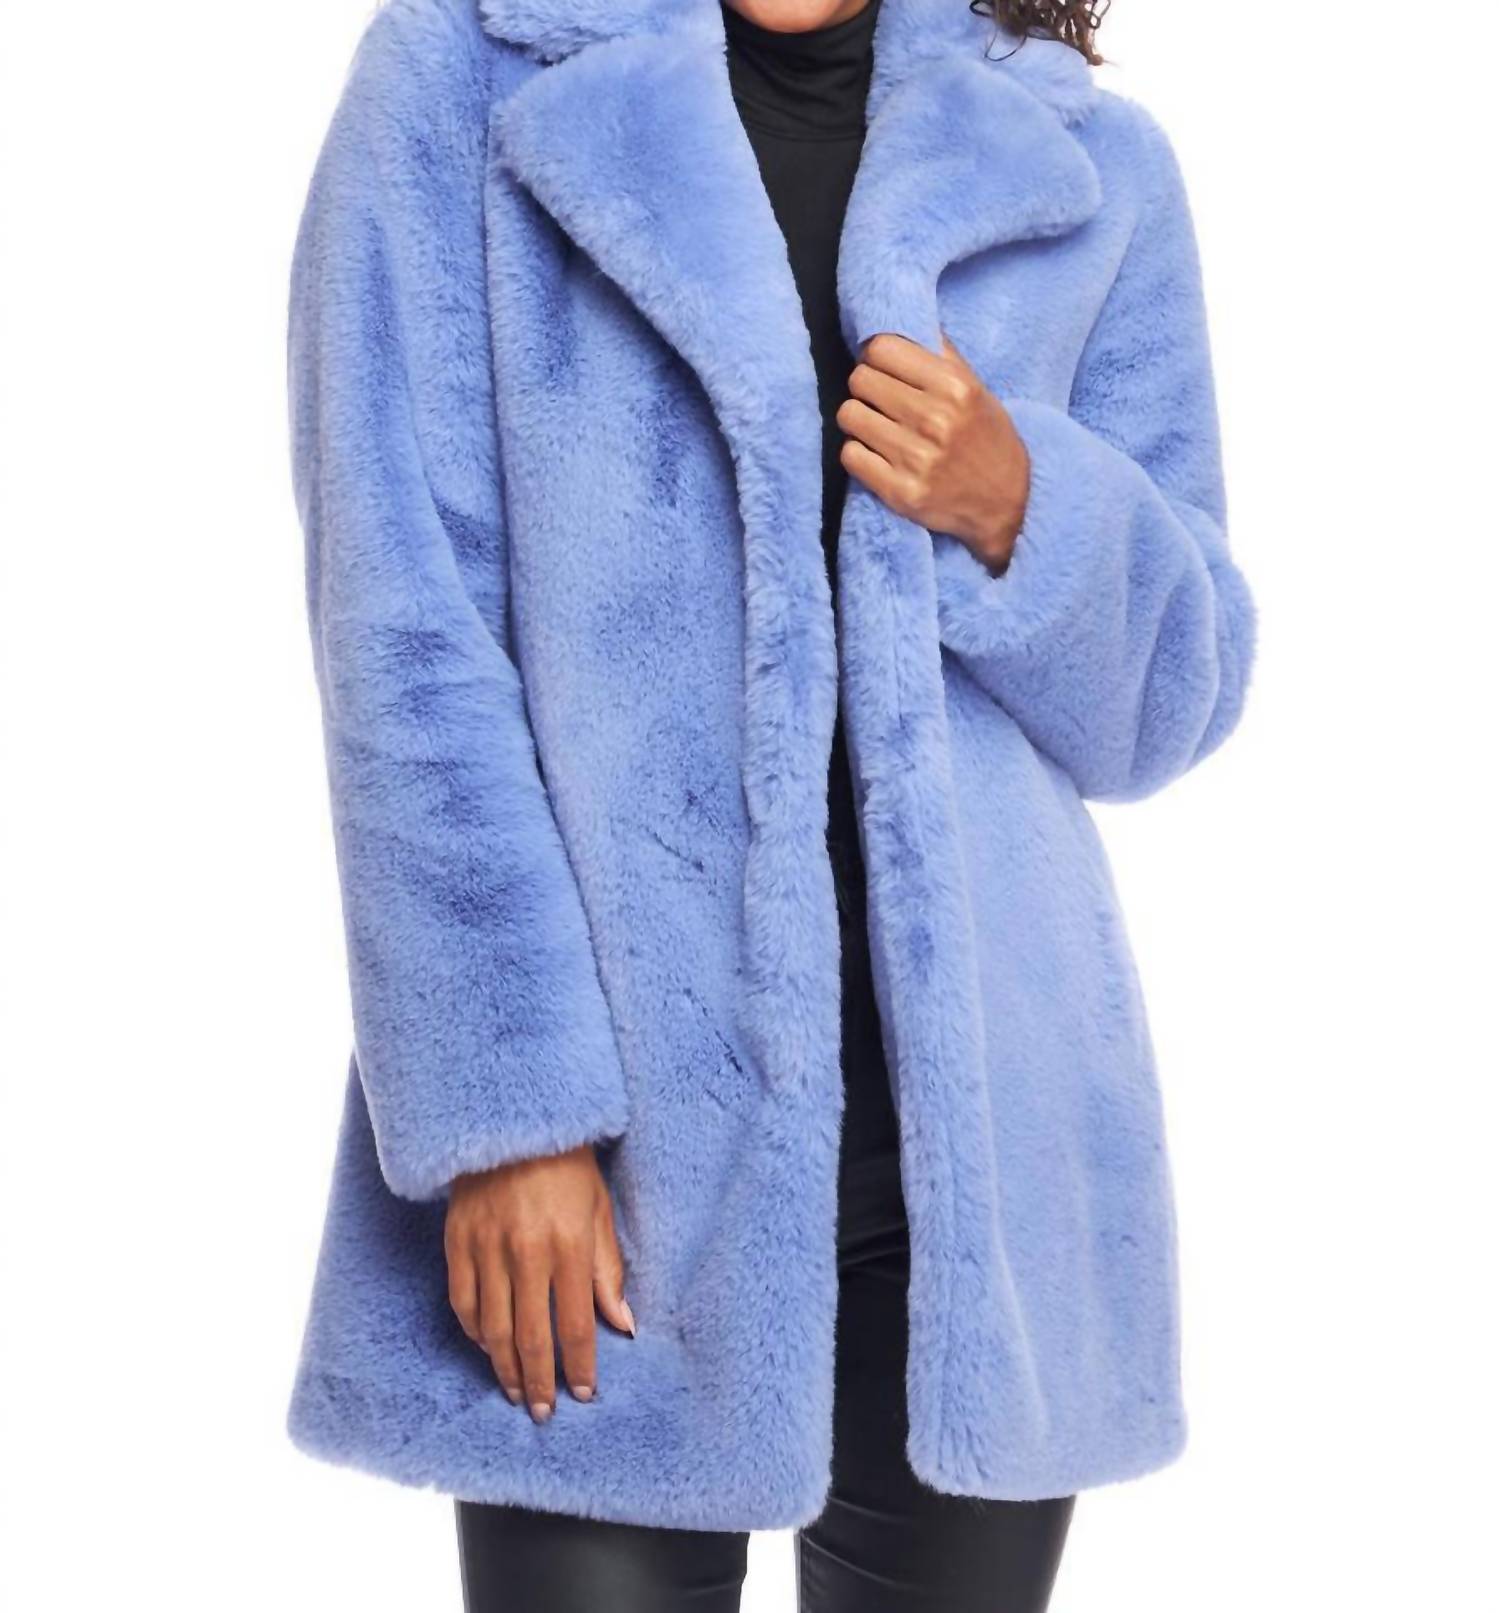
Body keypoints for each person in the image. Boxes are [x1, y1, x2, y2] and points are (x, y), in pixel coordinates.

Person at [286, 0, 1255, 1606]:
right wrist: (508, 1115)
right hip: (614, 1171)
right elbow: (402, 630)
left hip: (982, 1199)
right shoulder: (466, 76)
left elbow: (1176, 695)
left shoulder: (1086, 155)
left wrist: (1023, 507)